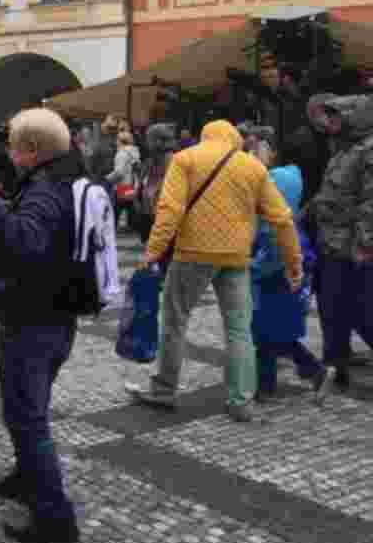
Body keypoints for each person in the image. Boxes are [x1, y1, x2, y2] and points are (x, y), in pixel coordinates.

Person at [0, 108, 82, 543]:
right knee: (29, 409)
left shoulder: (47, 192)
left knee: (27, 418)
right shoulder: (67, 181)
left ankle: (55, 520)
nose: (7, 154)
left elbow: (22, 243)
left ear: (31, 151)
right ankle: (23, 476)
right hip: (56, 317)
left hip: (33, 320)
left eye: (13, 146)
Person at [130, 120, 303, 422]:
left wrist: (152, 252)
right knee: (239, 331)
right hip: (236, 257)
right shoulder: (252, 167)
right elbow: (283, 219)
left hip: (192, 255)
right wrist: (294, 264)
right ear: (235, 138)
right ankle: (240, 400)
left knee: (175, 321)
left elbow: (169, 211)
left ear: (204, 136)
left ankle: (164, 390)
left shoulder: (186, 159)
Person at [250, 138, 329, 403]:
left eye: (258, 150)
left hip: (276, 268)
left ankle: (270, 387)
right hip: (287, 264)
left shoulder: (274, 183)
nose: (252, 155)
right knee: (274, 332)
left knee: (265, 331)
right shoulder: (291, 180)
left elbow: (272, 240)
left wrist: (255, 267)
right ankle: (308, 372)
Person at [308, 95, 373, 388]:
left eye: (336, 116)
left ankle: (337, 363)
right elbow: (329, 194)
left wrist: (364, 244)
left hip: (352, 247)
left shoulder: (367, 151)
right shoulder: (341, 151)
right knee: (332, 308)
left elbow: (370, 202)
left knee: (362, 310)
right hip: (331, 243)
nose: (329, 122)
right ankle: (335, 367)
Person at [107, 130, 140, 231]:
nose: (115, 142)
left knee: (116, 208)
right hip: (132, 185)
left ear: (121, 141)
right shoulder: (134, 152)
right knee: (128, 206)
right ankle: (135, 227)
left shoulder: (121, 154)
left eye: (117, 140)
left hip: (122, 186)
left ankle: (111, 228)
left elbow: (119, 172)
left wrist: (106, 179)